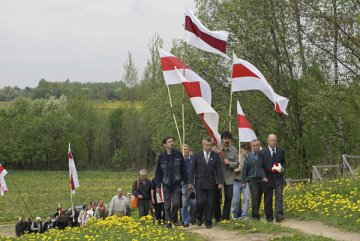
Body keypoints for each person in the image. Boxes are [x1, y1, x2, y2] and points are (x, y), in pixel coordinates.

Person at [189, 137, 223, 229]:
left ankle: (208, 221)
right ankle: (199, 217)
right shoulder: (197, 155)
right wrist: (190, 182)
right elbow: (192, 170)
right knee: (201, 202)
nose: (208, 147)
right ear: (203, 145)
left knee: (210, 203)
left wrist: (220, 182)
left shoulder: (215, 155)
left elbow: (219, 170)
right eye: (207, 145)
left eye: (210, 145)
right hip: (199, 182)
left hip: (211, 182)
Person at [155, 136, 188, 228]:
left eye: (172, 141)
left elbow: (183, 169)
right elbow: (158, 172)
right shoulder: (161, 156)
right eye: (169, 142)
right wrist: (158, 186)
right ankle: (169, 222)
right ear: (165, 144)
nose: (171, 143)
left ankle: (174, 218)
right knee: (167, 204)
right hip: (166, 184)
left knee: (177, 203)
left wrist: (187, 181)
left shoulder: (178, 154)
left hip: (177, 183)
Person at [258, 134, 286, 222]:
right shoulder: (262, 152)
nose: (273, 142)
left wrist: (283, 169)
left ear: (276, 141)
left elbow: (284, 163)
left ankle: (279, 215)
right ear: (268, 141)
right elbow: (260, 166)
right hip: (267, 178)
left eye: (274, 140)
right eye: (271, 140)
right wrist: (263, 177)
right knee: (268, 198)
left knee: (279, 196)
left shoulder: (281, 151)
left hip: (278, 178)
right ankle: (269, 216)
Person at [213, 131, 239, 221]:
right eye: (225, 139)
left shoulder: (234, 149)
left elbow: (237, 163)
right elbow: (211, 162)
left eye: (228, 139)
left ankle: (225, 218)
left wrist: (229, 163)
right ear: (222, 139)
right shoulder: (215, 149)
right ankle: (217, 217)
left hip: (229, 177)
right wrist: (217, 154)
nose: (227, 140)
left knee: (229, 197)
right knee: (216, 198)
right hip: (217, 178)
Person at [241, 139, 263, 220]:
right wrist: (243, 181)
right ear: (251, 146)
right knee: (255, 196)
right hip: (252, 179)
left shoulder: (262, 154)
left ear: (259, 145)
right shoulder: (248, 156)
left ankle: (256, 211)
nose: (256, 147)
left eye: (257, 145)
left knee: (259, 196)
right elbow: (244, 170)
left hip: (261, 179)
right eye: (254, 145)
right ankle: (255, 215)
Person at [232, 143, 250, 220]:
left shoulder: (249, 158)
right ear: (241, 149)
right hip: (236, 181)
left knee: (247, 198)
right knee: (236, 200)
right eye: (244, 149)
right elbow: (232, 168)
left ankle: (244, 215)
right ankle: (235, 214)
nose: (246, 150)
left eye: (247, 149)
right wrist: (236, 169)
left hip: (245, 181)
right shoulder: (237, 157)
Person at [180, 144, 196, 227]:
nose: (186, 151)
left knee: (194, 203)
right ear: (181, 150)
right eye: (184, 149)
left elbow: (195, 170)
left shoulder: (192, 159)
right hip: (183, 185)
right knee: (184, 203)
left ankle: (190, 216)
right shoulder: (179, 159)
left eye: (187, 149)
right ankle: (185, 220)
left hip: (192, 184)